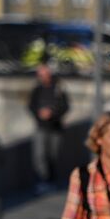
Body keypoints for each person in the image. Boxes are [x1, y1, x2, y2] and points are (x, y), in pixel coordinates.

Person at [27, 63, 69, 191]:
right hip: (41, 126)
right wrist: (40, 113)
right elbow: (31, 106)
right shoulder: (37, 90)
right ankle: (42, 180)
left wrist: (52, 113)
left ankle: (52, 180)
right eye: (41, 75)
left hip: (55, 127)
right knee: (40, 155)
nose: (43, 77)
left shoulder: (58, 89)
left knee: (53, 155)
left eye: (45, 75)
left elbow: (65, 106)